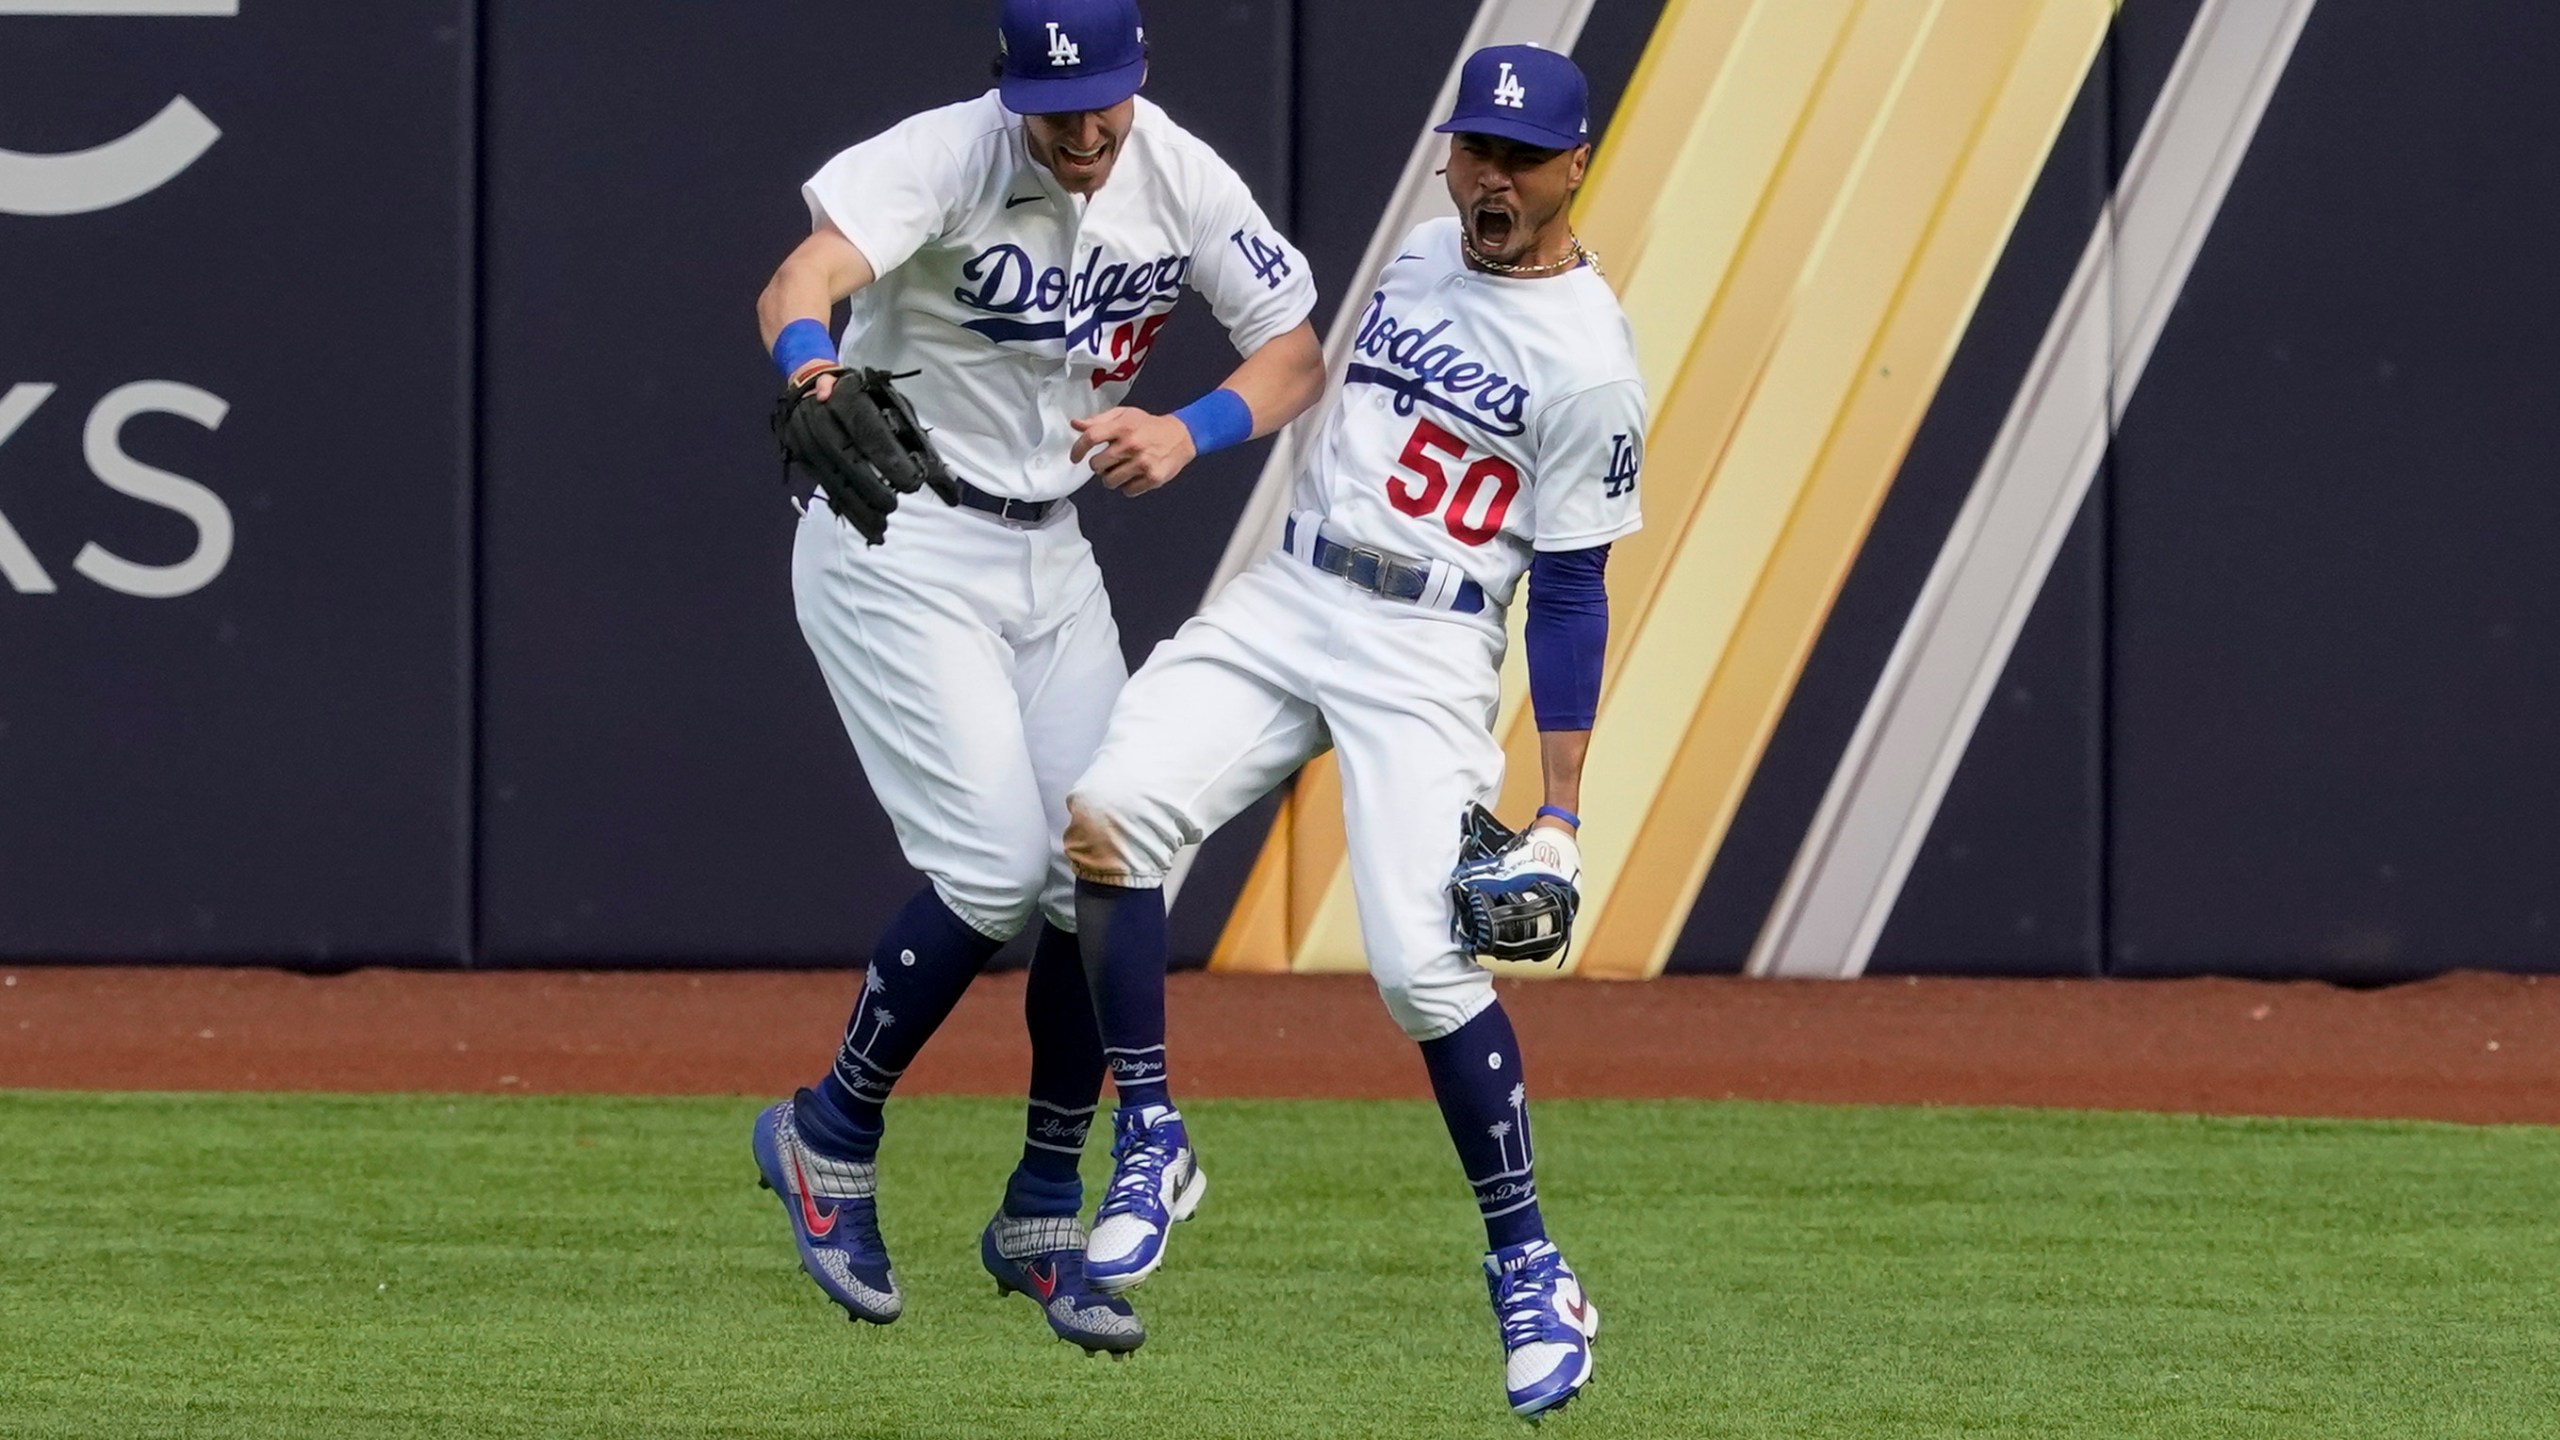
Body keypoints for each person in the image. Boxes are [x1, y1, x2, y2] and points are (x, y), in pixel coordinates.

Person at [1060, 44, 1640, 1418]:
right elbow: (1313, 374)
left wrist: (1559, 811)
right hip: (1296, 591)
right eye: (1474, 151)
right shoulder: (1428, 253)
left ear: (1575, 166)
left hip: (1429, 642)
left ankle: (1531, 1267)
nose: (1490, 179)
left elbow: (1569, 591)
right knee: (1107, 812)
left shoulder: (1592, 362)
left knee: (1422, 975)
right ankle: (1150, 1136)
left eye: (1519, 159)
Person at [745, 0, 1323, 1357]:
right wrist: (816, 371)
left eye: (1108, 98)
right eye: (1058, 107)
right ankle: (828, 1132)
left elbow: (1294, 351)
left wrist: (1193, 430)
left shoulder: (1177, 171)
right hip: (900, 532)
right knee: (998, 870)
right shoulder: (946, 156)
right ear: (1007, 91)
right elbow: (797, 283)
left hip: (1048, 552)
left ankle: (1044, 1206)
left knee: (1108, 859)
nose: (1087, 128)